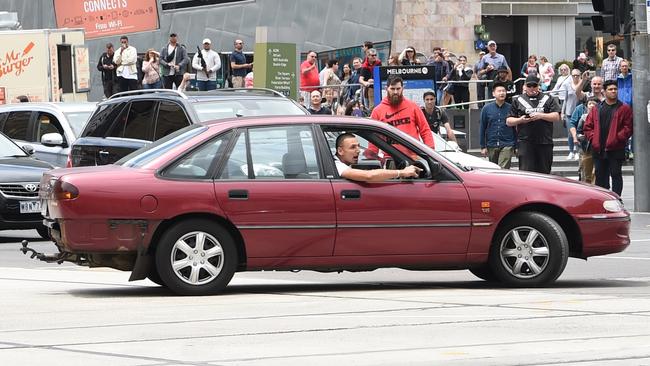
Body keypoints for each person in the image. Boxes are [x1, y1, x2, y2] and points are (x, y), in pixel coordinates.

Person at [583, 80, 633, 195]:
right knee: (600, 177)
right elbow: (588, 126)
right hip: (598, 149)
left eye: (615, 89)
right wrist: (593, 138)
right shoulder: (597, 109)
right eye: (610, 89)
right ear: (604, 92)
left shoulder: (624, 108)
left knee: (616, 175)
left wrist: (617, 138)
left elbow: (628, 128)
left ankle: (616, 199)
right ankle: (603, 201)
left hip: (616, 149)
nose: (613, 91)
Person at [506, 75, 562, 174]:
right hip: (525, 142)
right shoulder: (517, 100)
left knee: (544, 172)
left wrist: (541, 116)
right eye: (529, 86)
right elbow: (508, 121)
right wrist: (520, 120)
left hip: (544, 141)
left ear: (538, 86)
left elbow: (556, 116)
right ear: (524, 86)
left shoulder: (548, 98)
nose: (532, 88)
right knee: (526, 173)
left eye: (534, 85)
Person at [370, 76, 434, 151]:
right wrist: (372, 155)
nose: (395, 92)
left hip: (413, 156)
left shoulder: (413, 107)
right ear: (386, 88)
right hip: (390, 157)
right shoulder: (377, 111)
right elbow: (373, 139)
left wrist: (431, 150)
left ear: (403, 88)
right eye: (392, 89)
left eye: (398, 88)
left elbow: (425, 130)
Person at [334, 133, 422, 182]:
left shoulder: (339, 165)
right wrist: (402, 172)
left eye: (358, 146)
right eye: (353, 147)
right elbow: (368, 176)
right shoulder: (337, 166)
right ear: (340, 151)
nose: (358, 150)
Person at [479, 82, 515, 169]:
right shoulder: (486, 109)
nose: (502, 93)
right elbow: (482, 127)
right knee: (494, 169)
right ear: (493, 94)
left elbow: (515, 128)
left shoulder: (511, 108)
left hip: (507, 143)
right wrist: (482, 146)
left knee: (503, 169)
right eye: (499, 91)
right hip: (492, 144)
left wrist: (516, 146)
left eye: (504, 91)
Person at [569, 97, 599, 183]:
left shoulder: (601, 115)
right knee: (585, 170)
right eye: (590, 104)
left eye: (594, 103)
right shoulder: (583, 117)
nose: (592, 105)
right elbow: (578, 130)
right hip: (585, 146)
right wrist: (580, 137)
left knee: (596, 172)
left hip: (597, 146)